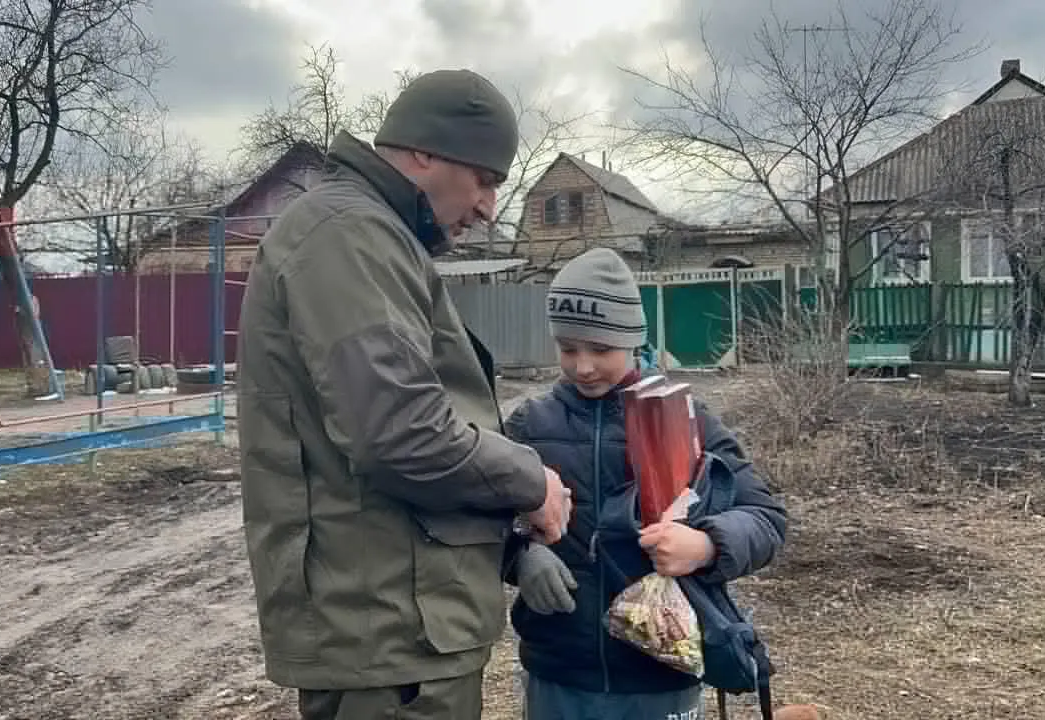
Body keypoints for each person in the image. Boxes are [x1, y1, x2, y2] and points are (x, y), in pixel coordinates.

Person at [235, 69, 573, 720]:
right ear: (424, 152)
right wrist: (534, 483)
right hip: (389, 633)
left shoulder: (367, 234)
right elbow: (402, 433)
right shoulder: (348, 235)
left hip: (401, 627)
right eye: (485, 179)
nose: (487, 207)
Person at [503, 247, 787, 720]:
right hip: (560, 672)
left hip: (660, 672)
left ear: (634, 339)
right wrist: (519, 555)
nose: (584, 366)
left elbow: (765, 520)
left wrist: (707, 545)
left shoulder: (687, 421)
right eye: (569, 348)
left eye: (601, 349)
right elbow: (481, 516)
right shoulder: (529, 425)